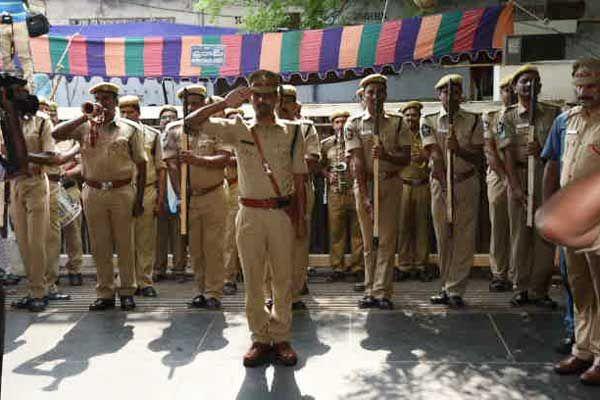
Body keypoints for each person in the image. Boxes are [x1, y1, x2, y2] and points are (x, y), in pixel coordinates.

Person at [184, 70, 307, 368]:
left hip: (280, 213)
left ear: (277, 98)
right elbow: (190, 124)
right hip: (248, 212)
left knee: (282, 279)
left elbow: (300, 179)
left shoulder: (292, 131)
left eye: (268, 95)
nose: (263, 100)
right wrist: (223, 103)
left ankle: (282, 337)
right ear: (250, 98)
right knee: (252, 279)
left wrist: (301, 218)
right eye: (257, 95)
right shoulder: (237, 129)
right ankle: (259, 338)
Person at [52, 82, 147, 312]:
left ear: (115, 102)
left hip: (122, 191)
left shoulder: (130, 129)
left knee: (125, 244)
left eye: (107, 99)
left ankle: (127, 291)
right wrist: (84, 117)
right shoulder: (85, 127)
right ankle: (105, 292)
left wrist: (139, 199)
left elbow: (142, 165)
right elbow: (56, 134)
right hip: (93, 191)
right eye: (98, 98)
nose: (102, 103)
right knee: (99, 244)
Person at [537, 58, 600, 386]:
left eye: (591, 86)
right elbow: (553, 165)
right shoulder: (566, 120)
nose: (584, 92)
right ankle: (584, 348)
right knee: (579, 286)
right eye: (579, 86)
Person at [5, 82, 76, 311]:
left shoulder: (42, 122)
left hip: (37, 183)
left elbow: (51, 156)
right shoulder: (6, 123)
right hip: (16, 184)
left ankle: (40, 291)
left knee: (38, 241)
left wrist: (25, 157)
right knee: (24, 242)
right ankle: (34, 288)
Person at [345, 73, 411, 310]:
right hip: (365, 184)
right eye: (370, 92)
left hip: (390, 183)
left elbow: (406, 157)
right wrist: (364, 196)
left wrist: (386, 155)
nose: (375, 97)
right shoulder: (353, 124)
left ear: (386, 95)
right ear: (363, 95)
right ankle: (369, 289)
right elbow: (356, 163)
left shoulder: (398, 122)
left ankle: (383, 291)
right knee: (368, 240)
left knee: (386, 239)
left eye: (379, 92)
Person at [499, 64, 560, 308]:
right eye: (524, 81)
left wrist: (542, 148)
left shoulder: (553, 114)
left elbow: (559, 150)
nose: (529, 85)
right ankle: (521, 287)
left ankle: (539, 290)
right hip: (520, 176)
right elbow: (507, 155)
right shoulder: (508, 117)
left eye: (535, 81)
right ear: (515, 87)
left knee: (544, 235)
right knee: (520, 236)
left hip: (545, 176)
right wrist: (514, 187)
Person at [421, 74, 484, 308]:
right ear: (439, 95)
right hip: (441, 183)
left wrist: (459, 150)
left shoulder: (474, 120)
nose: (450, 96)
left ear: (461, 95)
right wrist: (444, 184)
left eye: (455, 92)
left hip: (466, 182)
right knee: (443, 235)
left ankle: (456, 289)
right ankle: (445, 285)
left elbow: (479, 156)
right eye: (445, 92)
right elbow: (434, 154)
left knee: (464, 237)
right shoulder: (428, 119)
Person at [163, 85, 228, 310]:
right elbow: (171, 164)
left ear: (204, 104)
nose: (191, 107)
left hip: (214, 193)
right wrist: (180, 195)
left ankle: (214, 292)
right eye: (187, 104)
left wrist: (197, 160)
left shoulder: (216, 127)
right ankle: (199, 291)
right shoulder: (174, 130)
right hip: (190, 197)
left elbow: (224, 158)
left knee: (214, 246)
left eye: (196, 103)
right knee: (195, 248)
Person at [275, 84, 320, 310]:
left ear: (296, 106)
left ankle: (294, 293)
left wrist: (285, 164)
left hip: (300, 188)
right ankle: (272, 292)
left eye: (288, 102)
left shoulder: (306, 127)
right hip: (270, 192)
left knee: (299, 239)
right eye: (280, 102)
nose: (283, 107)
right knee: (271, 241)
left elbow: (312, 160)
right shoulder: (263, 128)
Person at [119, 95, 166, 298]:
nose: (127, 115)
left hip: (146, 190)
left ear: (139, 113)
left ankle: (145, 280)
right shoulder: (113, 133)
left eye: (131, 111)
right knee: (123, 239)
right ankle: (126, 281)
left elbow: (160, 168)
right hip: (122, 190)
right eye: (123, 112)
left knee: (145, 239)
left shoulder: (153, 135)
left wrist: (160, 198)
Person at [321, 111, 363, 283]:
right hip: (335, 192)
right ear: (332, 125)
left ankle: (358, 267)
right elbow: (319, 164)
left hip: (355, 190)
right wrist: (327, 174)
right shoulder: (326, 144)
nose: (340, 125)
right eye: (337, 122)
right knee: (336, 231)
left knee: (357, 231)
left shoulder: (356, 142)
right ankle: (337, 267)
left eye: (343, 122)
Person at [483, 75, 515, 292]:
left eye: (513, 89)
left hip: (522, 174)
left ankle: (518, 273)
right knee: (499, 225)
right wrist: (505, 178)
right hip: (498, 175)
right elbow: (489, 150)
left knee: (520, 227)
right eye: (505, 89)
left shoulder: (531, 116)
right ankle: (499, 273)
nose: (510, 93)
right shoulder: (492, 117)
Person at [396, 101, 433, 282]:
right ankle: (403, 265)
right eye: (407, 115)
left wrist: (424, 156)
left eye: (414, 115)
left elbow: (435, 153)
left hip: (422, 184)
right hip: (403, 185)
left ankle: (421, 265)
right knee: (403, 227)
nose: (411, 118)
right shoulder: (399, 135)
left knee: (422, 226)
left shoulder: (426, 133)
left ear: (419, 117)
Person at [153, 105, 187, 281]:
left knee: (179, 232)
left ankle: (179, 269)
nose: (167, 120)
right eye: (164, 117)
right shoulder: (153, 140)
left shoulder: (183, 140)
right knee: (159, 234)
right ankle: (158, 269)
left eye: (171, 117)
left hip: (177, 187)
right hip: (159, 190)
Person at [223, 107, 244, 296]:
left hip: (240, 186)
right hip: (221, 187)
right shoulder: (220, 137)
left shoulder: (247, 137)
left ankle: (232, 276)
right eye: (229, 118)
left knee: (237, 234)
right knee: (226, 236)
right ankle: (228, 276)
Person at [0, 0, 34, 88]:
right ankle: (8, 87)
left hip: (19, 22)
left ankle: (29, 86)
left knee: (24, 56)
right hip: (2, 22)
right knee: (5, 57)